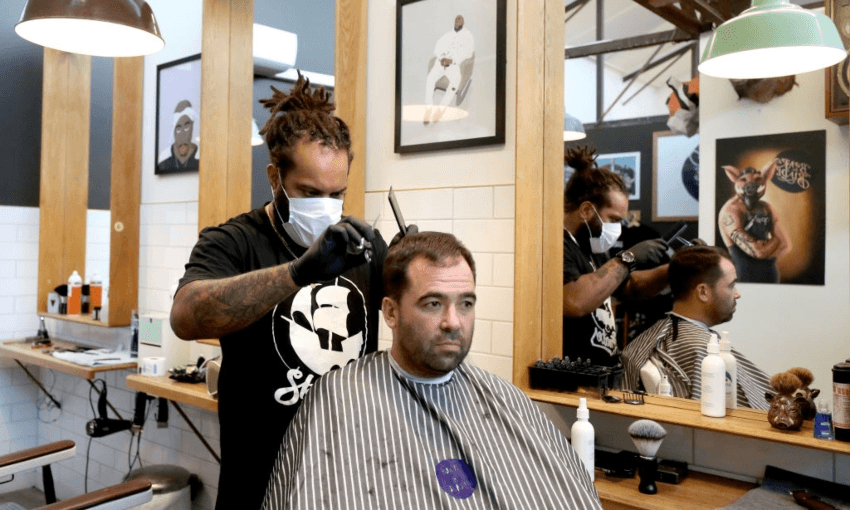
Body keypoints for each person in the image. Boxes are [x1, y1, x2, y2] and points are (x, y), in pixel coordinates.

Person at [170, 74, 390, 510]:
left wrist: (422, 275)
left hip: (346, 476)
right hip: (259, 480)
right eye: (309, 192)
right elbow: (186, 316)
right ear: (275, 176)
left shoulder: (362, 244)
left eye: (337, 193)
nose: (326, 206)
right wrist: (296, 273)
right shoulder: (233, 241)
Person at [262, 232, 602, 509]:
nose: (453, 323)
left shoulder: (505, 400)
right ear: (391, 313)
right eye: (433, 303)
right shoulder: (339, 399)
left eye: (465, 304)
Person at [620, 245, 772, 409]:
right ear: (703, 292)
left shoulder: (662, 334)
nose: (737, 294)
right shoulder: (700, 348)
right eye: (731, 285)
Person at [562, 146, 669, 366]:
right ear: (585, 211)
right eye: (613, 219)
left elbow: (629, 288)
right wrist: (627, 259)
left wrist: (674, 270)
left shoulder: (593, 245)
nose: (617, 228)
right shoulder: (557, 245)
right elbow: (574, 301)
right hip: (573, 378)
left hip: (603, 374)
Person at [423, 14, 475, 124]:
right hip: (441, 63)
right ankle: (428, 108)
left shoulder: (467, 36)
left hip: (454, 64)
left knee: (455, 83)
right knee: (430, 78)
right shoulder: (447, 35)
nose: (457, 21)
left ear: (463, 23)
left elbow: (469, 52)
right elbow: (437, 47)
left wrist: (452, 60)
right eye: (456, 20)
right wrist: (441, 58)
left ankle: (440, 109)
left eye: (460, 20)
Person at [157, 100, 200, 173]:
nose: (182, 136)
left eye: (186, 128)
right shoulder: (163, 163)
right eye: (178, 129)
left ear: (192, 128)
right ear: (173, 131)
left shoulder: (201, 159)